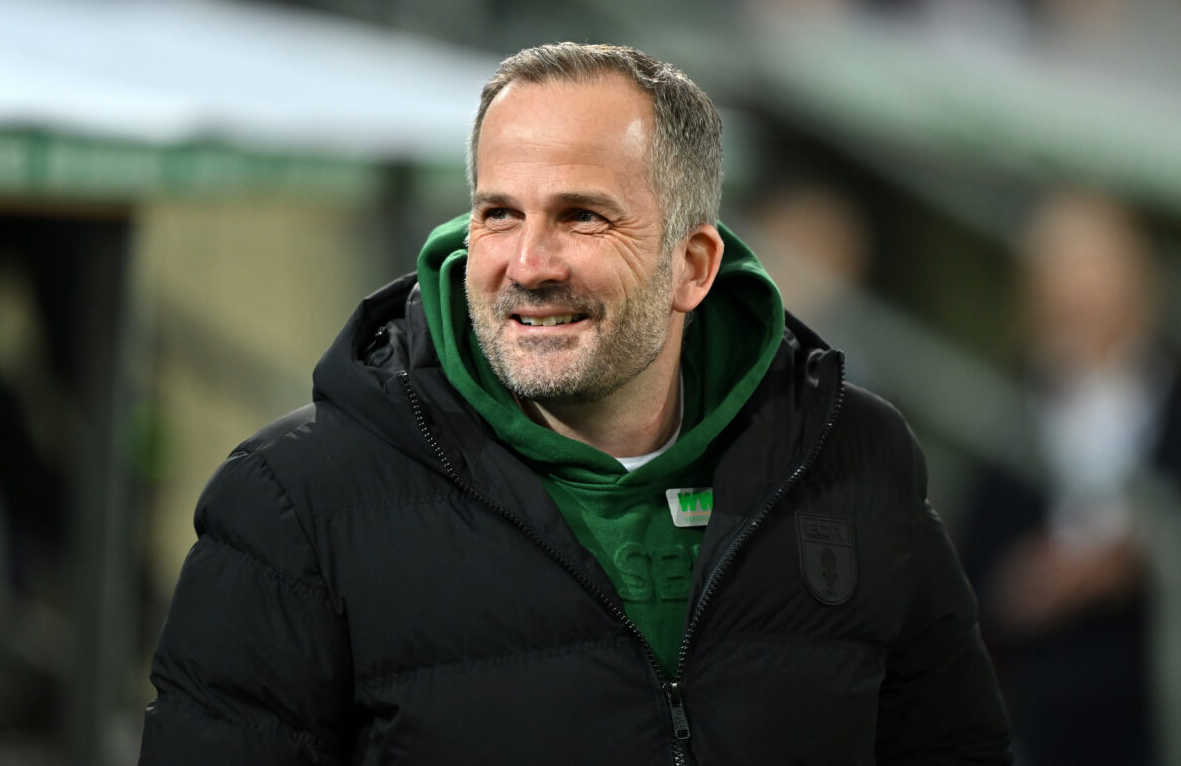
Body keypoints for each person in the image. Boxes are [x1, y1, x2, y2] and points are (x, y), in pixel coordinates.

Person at [138, 42, 1011, 765]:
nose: (529, 264)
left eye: (582, 217)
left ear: (692, 267)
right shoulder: (292, 503)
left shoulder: (853, 459)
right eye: (498, 214)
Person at [961, 190, 1180, 766]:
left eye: (1092, 268)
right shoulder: (1009, 410)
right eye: (1058, 271)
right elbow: (969, 571)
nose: (1077, 293)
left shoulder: (1170, 402)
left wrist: (1138, 556)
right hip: (1041, 708)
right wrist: (1027, 585)